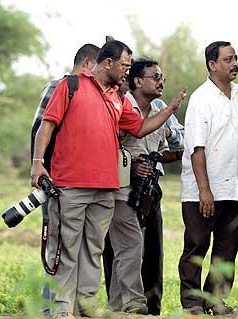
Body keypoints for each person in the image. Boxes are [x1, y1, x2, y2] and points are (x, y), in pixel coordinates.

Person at [30, 40, 187, 319]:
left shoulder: (116, 96)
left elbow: (139, 128)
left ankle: (84, 306)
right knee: (66, 248)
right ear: (108, 63)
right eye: (125, 66)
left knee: (93, 248)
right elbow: (48, 124)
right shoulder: (71, 86)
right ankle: (59, 310)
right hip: (70, 184)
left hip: (105, 188)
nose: (127, 72)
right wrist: (37, 164)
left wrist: (170, 109)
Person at [179, 41, 238, 315]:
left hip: (236, 188)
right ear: (212, 64)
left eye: (235, 58)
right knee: (196, 247)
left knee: (227, 249)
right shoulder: (201, 99)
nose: (235, 63)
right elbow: (196, 148)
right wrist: (204, 191)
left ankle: (215, 301)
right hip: (205, 189)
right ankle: (193, 304)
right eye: (228, 59)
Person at [104, 58, 183, 315]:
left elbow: (171, 148)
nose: (161, 82)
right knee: (126, 249)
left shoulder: (159, 107)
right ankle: (129, 305)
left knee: (149, 252)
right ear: (137, 81)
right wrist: (132, 166)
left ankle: (138, 307)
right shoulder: (122, 105)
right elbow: (108, 145)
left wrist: (162, 153)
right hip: (123, 188)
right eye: (155, 77)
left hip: (150, 189)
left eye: (162, 78)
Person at [31, 43, 100, 314]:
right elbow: (40, 130)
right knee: (58, 248)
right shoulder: (60, 86)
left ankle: (68, 306)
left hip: (81, 182)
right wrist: (41, 171)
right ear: (87, 65)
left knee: (77, 249)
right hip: (57, 181)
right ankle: (50, 309)